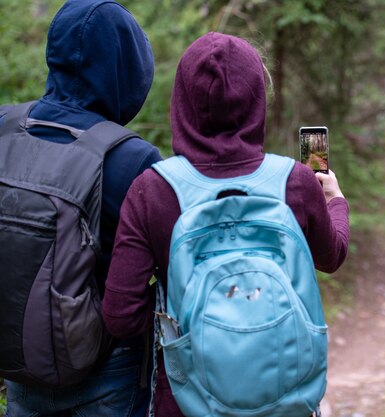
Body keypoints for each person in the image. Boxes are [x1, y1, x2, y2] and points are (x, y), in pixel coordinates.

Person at [102, 32, 351, 417]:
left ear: (182, 101)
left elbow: (120, 315)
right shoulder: (295, 182)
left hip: (188, 401)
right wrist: (335, 201)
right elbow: (332, 255)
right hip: (285, 395)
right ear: (256, 98)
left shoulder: (153, 189)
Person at [1, 0, 161, 416]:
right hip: (105, 370)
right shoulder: (132, 159)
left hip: (18, 361)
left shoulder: (4, 129)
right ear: (128, 68)